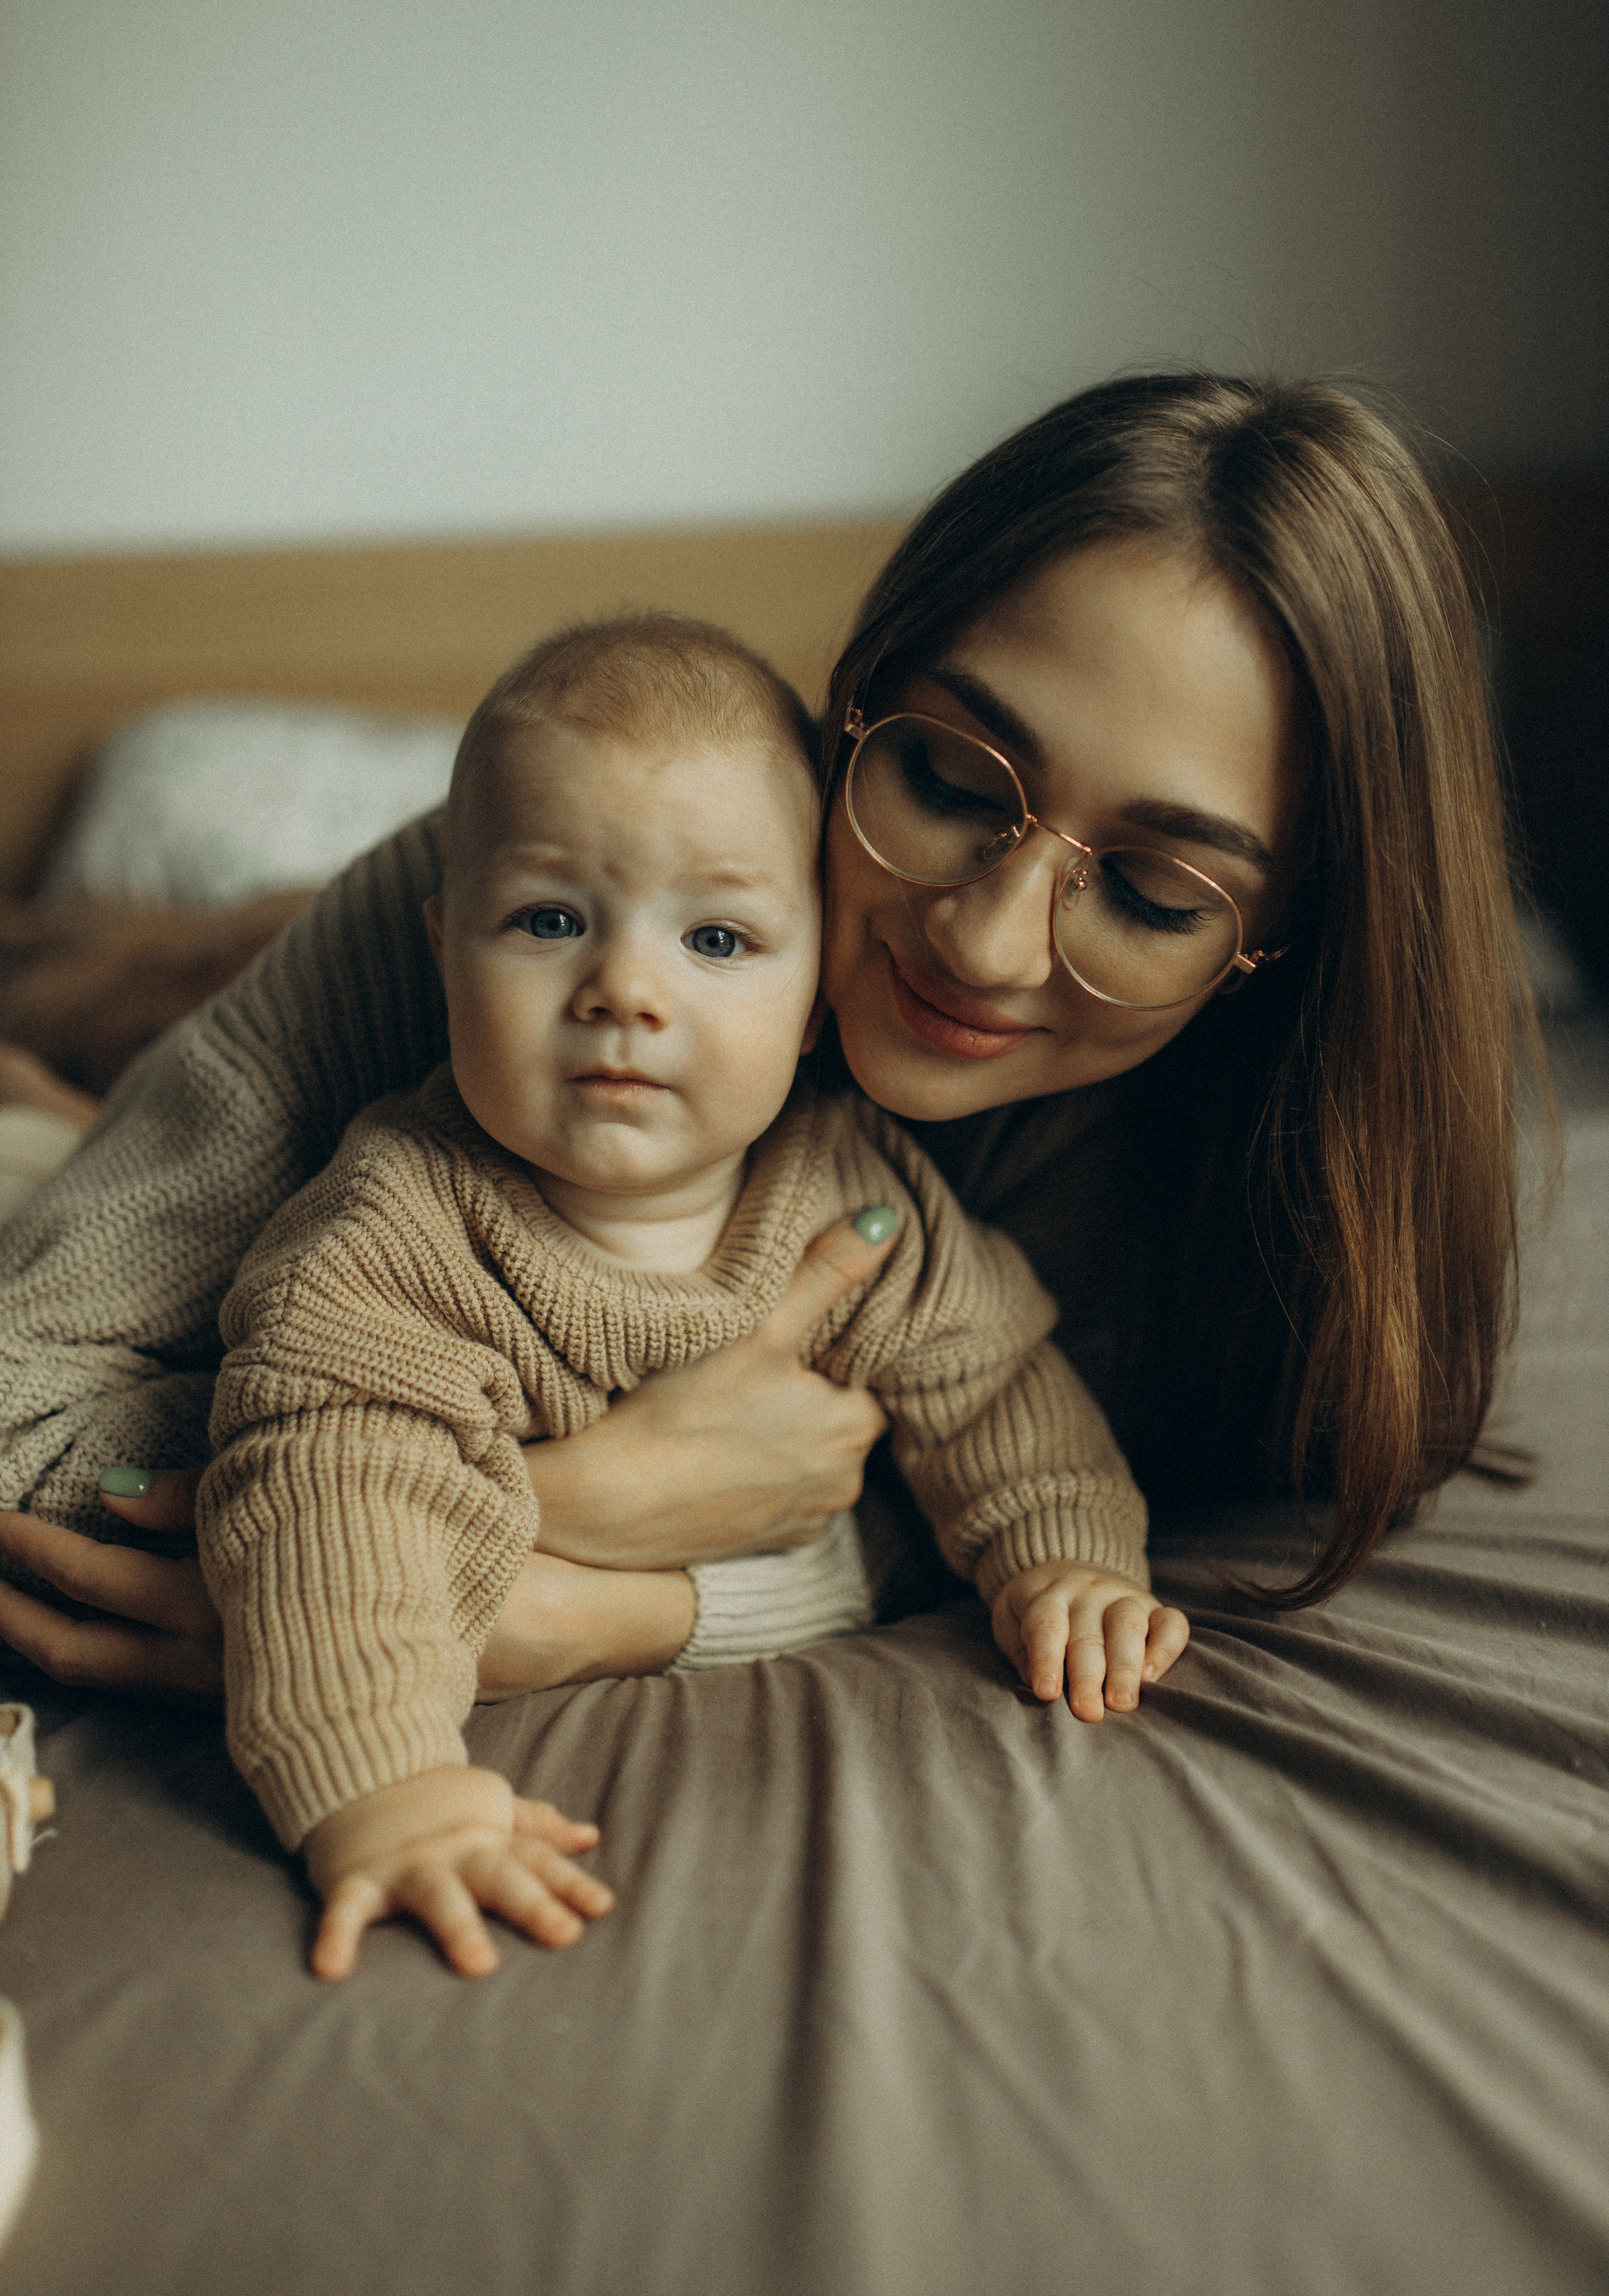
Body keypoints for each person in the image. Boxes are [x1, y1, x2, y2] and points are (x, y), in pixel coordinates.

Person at [0, 372, 1532, 1730]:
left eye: (1148, 893)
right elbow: (24, 1410)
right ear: (851, 711)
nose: (985, 944)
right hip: (239, 1038)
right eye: (943, 775)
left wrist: (600, 1610)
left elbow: (998, 1495)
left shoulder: (1267, 1215)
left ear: (1287, 948)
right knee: (99, 1022)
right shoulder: (554, 910)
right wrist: (521, 1520)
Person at [201, 615, 1174, 1977]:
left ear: (819, 992)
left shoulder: (851, 1188)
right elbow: (338, 1504)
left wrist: (1065, 1556)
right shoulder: (390, 1245)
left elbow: (992, 1383)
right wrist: (386, 1787)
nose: (623, 991)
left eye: (717, 938)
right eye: (549, 922)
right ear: (439, 951)